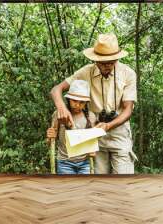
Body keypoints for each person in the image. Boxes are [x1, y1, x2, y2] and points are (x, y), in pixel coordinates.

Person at [50, 33, 138, 174]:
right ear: (95, 60)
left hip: (119, 130)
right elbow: (56, 89)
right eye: (102, 62)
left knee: (124, 177)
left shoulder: (128, 73)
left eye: (111, 62)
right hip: (93, 130)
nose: (107, 66)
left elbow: (128, 109)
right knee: (97, 179)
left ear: (117, 58)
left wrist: (109, 125)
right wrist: (62, 107)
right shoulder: (86, 72)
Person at [47, 80, 96, 174]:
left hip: (85, 163)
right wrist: (49, 137)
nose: (77, 105)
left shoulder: (91, 117)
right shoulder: (59, 114)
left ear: (86, 103)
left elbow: (92, 143)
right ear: (69, 99)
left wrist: (93, 152)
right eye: (74, 100)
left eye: (81, 102)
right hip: (65, 162)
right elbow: (50, 142)